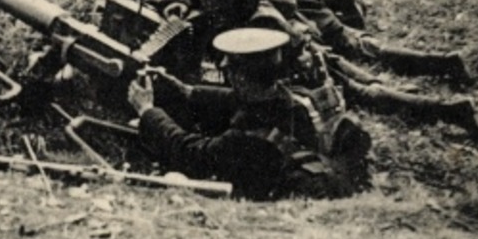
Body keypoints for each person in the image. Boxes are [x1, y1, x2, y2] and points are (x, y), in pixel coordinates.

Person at [127, 27, 372, 200]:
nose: (227, 75)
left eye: (231, 71)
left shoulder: (247, 140)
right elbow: (237, 100)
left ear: (241, 78)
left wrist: (147, 111)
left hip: (290, 195)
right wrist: (187, 91)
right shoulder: (296, 96)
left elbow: (192, 153)